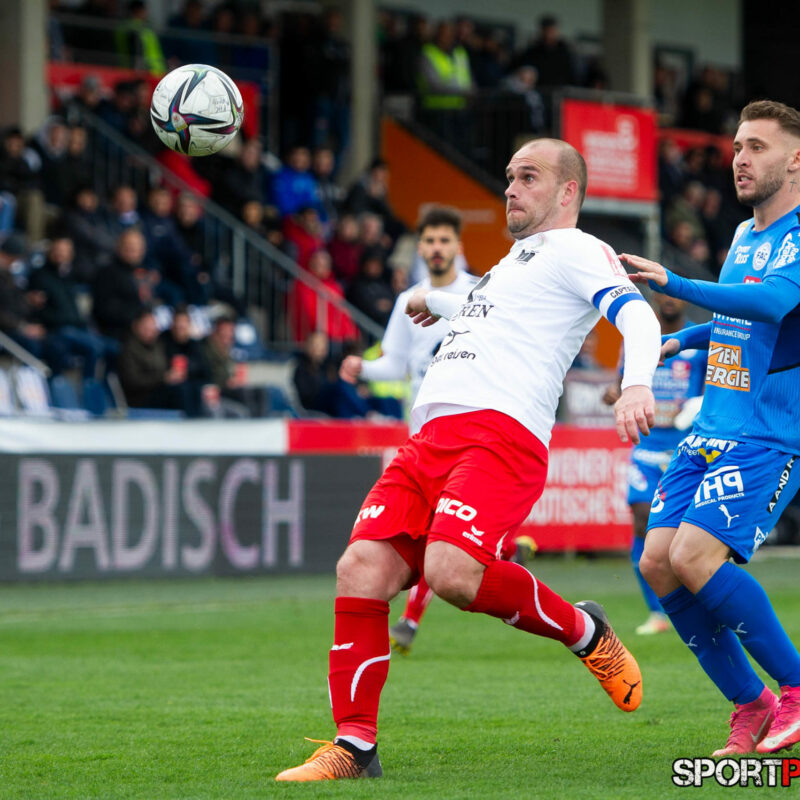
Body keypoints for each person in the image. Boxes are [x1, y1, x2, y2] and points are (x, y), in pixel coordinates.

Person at [275, 137, 661, 782]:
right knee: (360, 568)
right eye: (509, 176)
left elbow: (639, 319)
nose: (511, 188)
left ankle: (584, 633)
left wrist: (639, 384)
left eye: (528, 177)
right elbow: (499, 313)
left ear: (568, 191)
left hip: (500, 435)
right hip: (429, 437)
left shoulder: (578, 249)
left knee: (451, 572)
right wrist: (436, 301)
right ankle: (354, 746)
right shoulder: (512, 263)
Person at [620, 99, 800, 756]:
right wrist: (686, 339)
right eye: (737, 147)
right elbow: (739, 320)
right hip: (712, 425)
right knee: (658, 563)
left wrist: (677, 283)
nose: (741, 159)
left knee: (694, 556)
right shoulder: (747, 233)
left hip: (765, 431)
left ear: (796, 160)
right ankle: (751, 704)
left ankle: (795, 687)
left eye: (757, 147)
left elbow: (776, 302)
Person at [603, 294, 706, 635]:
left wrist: (695, 405)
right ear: (656, 298)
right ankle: (657, 613)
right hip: (645, 448)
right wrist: (613, 393)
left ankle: (696, 602)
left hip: (686, 449)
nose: (669, 300)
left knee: (686, 533)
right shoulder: (639, 339)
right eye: (663, 294)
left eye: (675, 294)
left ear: (684, 299)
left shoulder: (697, 340)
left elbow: (715, 389)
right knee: (641, 520)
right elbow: (622, 383)